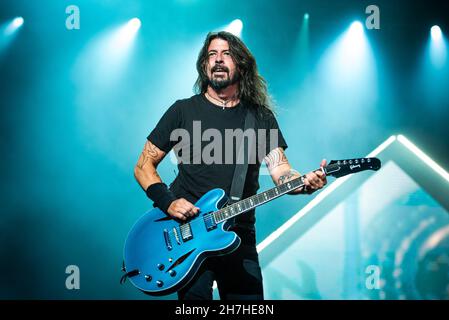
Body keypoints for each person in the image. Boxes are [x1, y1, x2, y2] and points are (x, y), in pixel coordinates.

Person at [133, 31, 327, 300]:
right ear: (204, 65)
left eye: (227, 54)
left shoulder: (259, 117)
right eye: (212, 54)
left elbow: (281, 170)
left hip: (239, 236)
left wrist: (302, 183)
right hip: (189, 238)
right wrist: (168, 202)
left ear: (242, 64)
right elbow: (143, 166)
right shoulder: (182, 111)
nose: (218, 60)